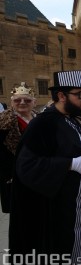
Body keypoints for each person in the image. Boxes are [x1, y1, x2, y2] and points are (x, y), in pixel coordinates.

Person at [9, 70, 81, 265]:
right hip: (66, 212)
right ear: (61, 96)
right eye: (79, 94)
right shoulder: (43, 124)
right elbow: (27, 166)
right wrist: (70, 164)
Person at [0, 82, 36, 213]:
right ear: (11, 102)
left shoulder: (39, 118)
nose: (22, 102)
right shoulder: (4, 121)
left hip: (38, 171)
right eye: (17, 100)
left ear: (34, 102)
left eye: (27, 100)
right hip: (14, 175)